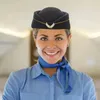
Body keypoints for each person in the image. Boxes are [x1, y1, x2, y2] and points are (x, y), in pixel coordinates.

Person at [2, 7, 96, 100]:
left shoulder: (84, 83)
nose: (51, 46)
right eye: (44, 38)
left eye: (58, 38)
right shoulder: (17, 80)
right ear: (35, 40)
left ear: (68, 39)